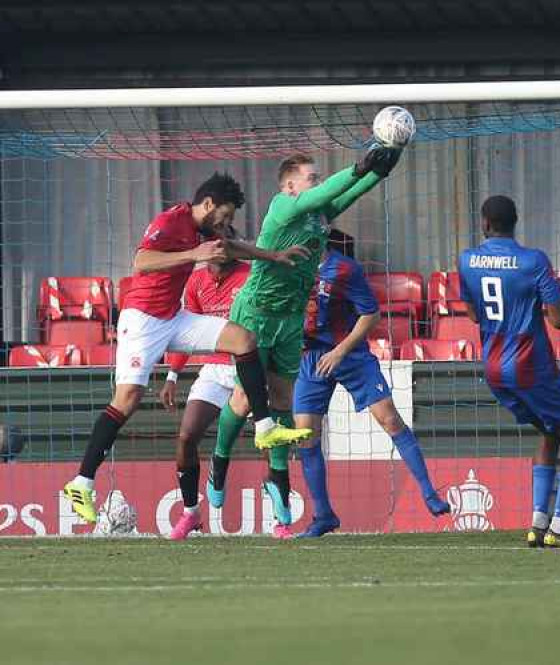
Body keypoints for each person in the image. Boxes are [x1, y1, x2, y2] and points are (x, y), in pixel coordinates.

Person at [61, 174, 313, 525]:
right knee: (128, 398)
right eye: (223, 216)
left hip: (173, 317)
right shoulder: (171, 220)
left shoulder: (207, 231)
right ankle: (81, 483)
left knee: (243, 340)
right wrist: (193, 254)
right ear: (208, 204)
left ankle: (265, 426)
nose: (225, 224)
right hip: (143, 320)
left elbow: (230, 248)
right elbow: (142, 261)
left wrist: (272, 255)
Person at [207, 147, 403, 538]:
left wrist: (380, 169)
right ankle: (219, 464)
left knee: (283, 402)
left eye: (317, 177)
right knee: (245, 399)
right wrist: (357, 166)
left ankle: (277, 480)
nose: (316, 183)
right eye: (311, 178)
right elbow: (327, 191)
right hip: (256, 313)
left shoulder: (317, 217)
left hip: (291, 318)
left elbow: (347, 194)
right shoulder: (283, 206)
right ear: (290, 186)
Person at [292, 237, 450, 538]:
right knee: (305, 434)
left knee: (389, 419)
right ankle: (323, 516)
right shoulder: (291, 265)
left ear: (322, 230)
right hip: (311, 357)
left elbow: (371, 314)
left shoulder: (344, 269)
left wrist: (339, 351)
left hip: (349, 354)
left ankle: (429, 493)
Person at [459, 195, 560, 548]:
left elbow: (472, 314)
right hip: (530, 363)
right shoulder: (533, 261)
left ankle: (537, 523)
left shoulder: (467, 260)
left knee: (549, 430)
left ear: (485, 224)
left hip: (493, 367)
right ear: (516, 222)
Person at [157, 226, 250, 540]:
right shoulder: (196, 281)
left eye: (225, 245)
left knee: (268, 441)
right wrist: (172, 376)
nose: (219, 249)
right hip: (214, 369)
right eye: (214, 244)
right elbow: (188, 333)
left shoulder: (251, 276)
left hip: (248, 369)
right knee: (186, 436)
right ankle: (190, 514)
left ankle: (280, 518)